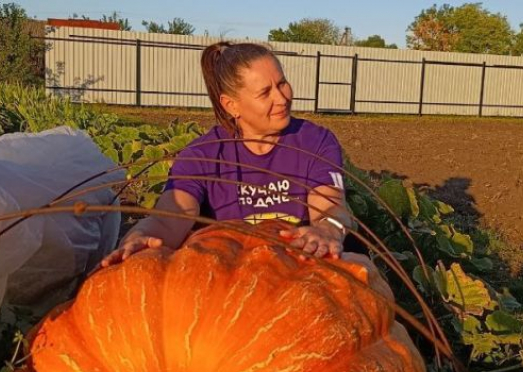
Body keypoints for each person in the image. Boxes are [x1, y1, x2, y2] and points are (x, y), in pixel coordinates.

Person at [101, 41, 355, 267]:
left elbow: (330, 206)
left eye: (282, 83)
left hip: (292, 268)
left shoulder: (316, 141)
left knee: (360, 267)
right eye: (265, 93)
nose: (282, 98)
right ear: (231, 105)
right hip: (226, 275)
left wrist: (327, 229)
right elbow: (170, 218)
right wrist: (140, 236)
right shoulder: (203, 155)